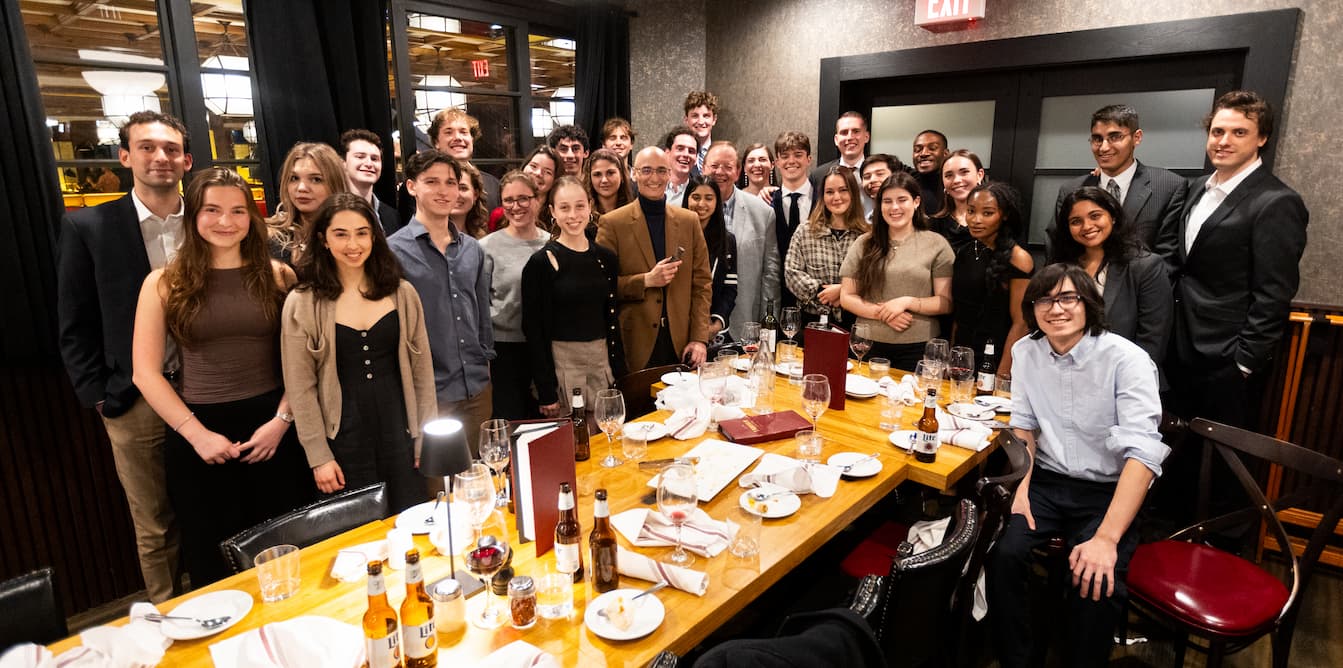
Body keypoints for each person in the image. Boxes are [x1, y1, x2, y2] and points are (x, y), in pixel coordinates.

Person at [131, 167, 315, 586]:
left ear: (252, 217)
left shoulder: (279, 275)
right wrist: (197, 435)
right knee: (214, 562)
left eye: (237, 210)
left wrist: (282, 421)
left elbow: (301, 362)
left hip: (275, 428)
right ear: (193, 216)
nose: (226, 221)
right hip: (199, 430)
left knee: (286, 554)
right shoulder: (163, 283)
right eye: (212, 210)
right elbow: (145, 373)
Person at [987, 263, 1167, 668]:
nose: (1056, 309)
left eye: (1068, 298)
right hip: (1046, 481)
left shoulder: (1127, 359)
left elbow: (1143, 455)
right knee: (1004, 554)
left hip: (1107, 489)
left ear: (1089, 304)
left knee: (1096, 580)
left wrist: (1106, 539)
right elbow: (1025, 430)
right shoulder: (1025, 352)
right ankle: (1017, 659)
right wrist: (1022, 491)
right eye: (1043, 300)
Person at [58, 110, 192, 603]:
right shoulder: (89, 227)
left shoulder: (206, 219)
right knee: (154, 522)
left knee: (203, 505)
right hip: (133, 398)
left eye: (171, 149)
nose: (160, 157)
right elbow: (74, 322)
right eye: (148, 147)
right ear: (125, 156)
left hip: (205, 388)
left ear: (186, 160)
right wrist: (98, 395)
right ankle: (166, 618)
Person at [1156, 90, 1308, 431]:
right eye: (1217, 132)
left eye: (1239, 132)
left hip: (1226, 359)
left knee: (1216, 467)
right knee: (1169, 457)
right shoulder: (1196, 188)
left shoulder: (1276, 202)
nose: (1223, 141)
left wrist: (1243, 362)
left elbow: (1274, 294)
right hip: (1177, 348)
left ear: (1262, 138)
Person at [281, 193, 435, 513]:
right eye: (341, 234)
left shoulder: (402, 293)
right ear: (323, 240)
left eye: (362, 232)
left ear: (374, 237)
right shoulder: (302, 301)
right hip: (342, 438)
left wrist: (425, 436)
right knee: (357, 538)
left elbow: (422, 371)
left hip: (401, 431)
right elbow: (300, 387)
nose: (353, 244)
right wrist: (319, 456)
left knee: (412, 523)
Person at [387, 150, 494, 457]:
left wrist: (485, 365)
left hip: (476, 385)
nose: (444, 191)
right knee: (440, 490)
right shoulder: (393, 251)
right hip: (430, 391)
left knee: (482, 479)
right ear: (411, 187)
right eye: (431, 182)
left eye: (451, 182)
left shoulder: (472, 249)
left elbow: (481, 314)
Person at [597, 146, 713, 371]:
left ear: (670, 174)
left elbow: (702, 285)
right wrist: (646, 280)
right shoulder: (613, 223)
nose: (654, 178)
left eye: (661, 171)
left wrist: (700, 338)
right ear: (634, 173)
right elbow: (602, 287)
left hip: (681, 345)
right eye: (647, 170)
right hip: (634, 344)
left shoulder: (689, 221)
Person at [522, 176, 626, 418]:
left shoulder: (606, 258)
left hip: (601, 362)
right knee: (572, 445)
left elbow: (612, 319)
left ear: (590, 207)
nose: (573, 215)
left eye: (580, 206)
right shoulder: (540, 263)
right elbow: (533, 331)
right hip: (563, 365)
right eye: (564, 207)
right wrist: (546, 390)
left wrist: (619, 369)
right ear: (552, 212)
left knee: (605, 436)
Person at [839, 171, 953, 372]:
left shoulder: (936, 244)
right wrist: (884, 314)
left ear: (916, 202)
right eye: (887, 201)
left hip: (919, 348)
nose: (894, 208)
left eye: (902, 200)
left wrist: (907, 302)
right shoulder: (864, 243)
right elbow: (847, 297)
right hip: (866, 344)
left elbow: (945, 302)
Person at [1050, 186, 1172, 366]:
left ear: (1113, 216)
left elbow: (1153, 339)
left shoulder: (1145, 266)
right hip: (1066, 373)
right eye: (1076, 221)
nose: (1087, 226)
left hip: (1125, 378)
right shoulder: (1061, 267)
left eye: (1095, 216)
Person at [1053, 104, 1189, 250]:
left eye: (1115, 137)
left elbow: (1167, 255)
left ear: (1137, 137)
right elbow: (1057, 247)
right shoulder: (1071, 190)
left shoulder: (1168, 187)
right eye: (1097, 139)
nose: (1104, 147)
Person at [480, 172, 552, 420]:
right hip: (505, 352)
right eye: (508, 200)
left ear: (537, 200)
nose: (515, 206)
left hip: (546, 348)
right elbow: (480, 306)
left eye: (523, 198)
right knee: (510, 421)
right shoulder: (487, 247)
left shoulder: (552, 243)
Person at [951, 182, 1034, 374]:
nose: (976, 220)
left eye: (987, 213)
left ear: (1004, 215)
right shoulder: (965, 252)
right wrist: (952, 355)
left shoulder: (1018, 258)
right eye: (971, 211)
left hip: (996, 353)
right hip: (962, 354)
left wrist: (1002, 374)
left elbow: (1021, 323)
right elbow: (959, 312)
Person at [702, 141, 781, 339]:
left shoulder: (763, 213)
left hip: (743, 323)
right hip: (694, 324)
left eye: (728, 167)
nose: (720, 172)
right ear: (703, 167)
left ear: (738, 172)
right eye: (714, 166)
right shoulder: (682, 211)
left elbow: (770, 275)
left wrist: (767, 325)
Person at [785, 166, 868, 329]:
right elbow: (791, 273)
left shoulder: (866, 236)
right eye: (829, 192)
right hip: (812, 320)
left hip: (855, 322)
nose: (836, 197)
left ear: (853, 193)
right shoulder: (805, 231)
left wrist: (842, 291)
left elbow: (875, 278)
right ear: (822, 196)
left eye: (843, 190)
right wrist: (821, 292)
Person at [266, 142, 349, 264]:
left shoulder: (355, 234)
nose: (302, 188)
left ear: (335, 184)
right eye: (294, 178)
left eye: (316, 179)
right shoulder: (269, 236)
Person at [682, 177, 738, 337]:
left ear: (717, 202)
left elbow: (730, 288)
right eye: (696, 197)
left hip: (713, 328)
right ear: (687, 199)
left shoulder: (727, 240)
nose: (701, 204)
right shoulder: (674, 236)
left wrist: (717, 323)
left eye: (709, 198)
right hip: (680, 326)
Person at [770, 131, 818, 308]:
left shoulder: (823, 201)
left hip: (815, 296)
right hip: (777, 295)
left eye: (798, 155)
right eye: (785, 156)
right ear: (776, 162)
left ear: (809, 159)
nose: (791, 161)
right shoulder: (766, 203)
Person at [428, 106, 500, 210]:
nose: (458, 137)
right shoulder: (423, 184)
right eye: (448, 132)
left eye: (463, 132)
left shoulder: (493, 185)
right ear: (436, 142)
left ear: (472, 139)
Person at [338, 129, 400, 236]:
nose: (369, 163)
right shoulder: (330, 210)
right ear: (343, 163)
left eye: (374, 159)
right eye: (360, 157)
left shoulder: (392, 216)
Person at [810, 112, 871, 210]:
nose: (850, 137)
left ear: (866, 137)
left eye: (856, 131)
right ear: (836, 140)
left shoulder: (879, 172)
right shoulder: (819, 176)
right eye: (844, 132)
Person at [929, 149, 985, 254]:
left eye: (964, 172)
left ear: (980, 175)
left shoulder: (997, 220)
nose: (956, 180)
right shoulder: (934, 225)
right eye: (949, 175)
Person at [585, 147, 634, 219]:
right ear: (590, 178)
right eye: (597, 174)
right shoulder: (583, 216)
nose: (604, 180)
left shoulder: (635, 213)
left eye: (610, 173)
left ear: (621, 175)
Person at [858, 153, 908, 220]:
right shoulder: (865, 222)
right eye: (867, 177)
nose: (872, 180)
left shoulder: (910, 216)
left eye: (880, 174)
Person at [911, 130, 950, 216]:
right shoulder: (907, 182)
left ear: (946, 153)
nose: (924, 153)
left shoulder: (954, 184)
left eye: (932, 148)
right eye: (917, 150)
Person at [450, 161, 490, 239]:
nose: (457, 195)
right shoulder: (426, 237)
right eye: (451, 187)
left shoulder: (483, 239)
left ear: (475, 194)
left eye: (463, 188)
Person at [683, 90, 719, 174]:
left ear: (714, 119)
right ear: (686, 120)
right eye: (695, 116)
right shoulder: (678, 155)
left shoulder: (722, 154)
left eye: (706, 116)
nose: (701, 121)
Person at [662, 125, 699, 203]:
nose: (686, 154)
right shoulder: (651, 187)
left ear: (696, 159)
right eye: (680, 149)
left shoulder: (699, 192)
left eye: (691, 151)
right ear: (667, 153)